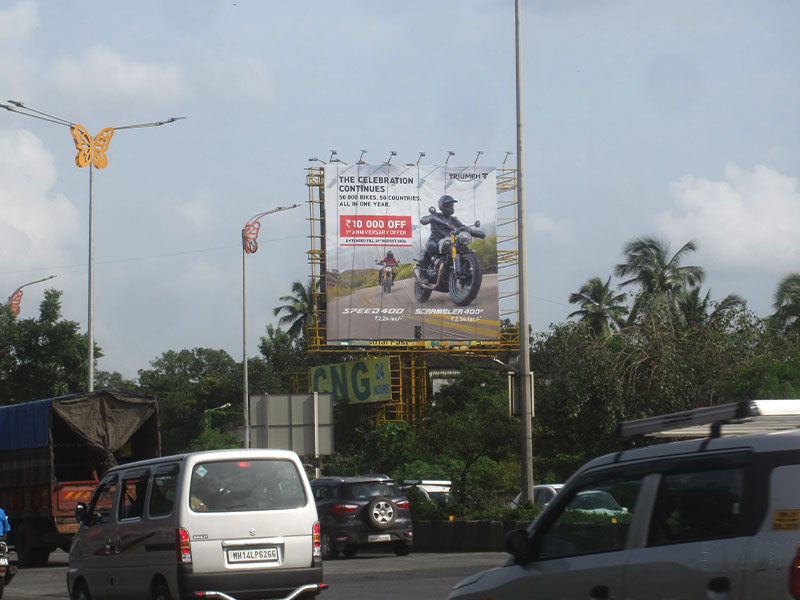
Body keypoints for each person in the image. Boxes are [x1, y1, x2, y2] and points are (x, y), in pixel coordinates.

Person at [417, 194, 464, 281]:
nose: (450, 208)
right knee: (431, 246)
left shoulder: (454, 220)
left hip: (449, 242)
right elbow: (423, 220)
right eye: (448, 205)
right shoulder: (436, 215)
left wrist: (470, 230)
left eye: (451, 205)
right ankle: (423, 273)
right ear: (441, 206)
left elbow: (462, 227)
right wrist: (430, 218)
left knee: (462, 247)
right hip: (435, 241)